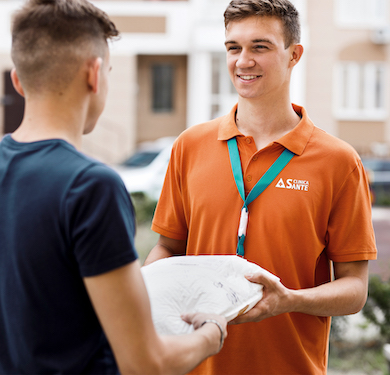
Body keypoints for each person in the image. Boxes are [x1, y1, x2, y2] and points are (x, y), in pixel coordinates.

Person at [145, 0, 377, 374]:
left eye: (260, 47)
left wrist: (289, 300)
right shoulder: (190, 146)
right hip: (193, 367)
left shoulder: (339, 161)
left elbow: (354, 290)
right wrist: (143, 296)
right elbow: (167, 248)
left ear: (294, 55)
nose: (243, 61)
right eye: (234, 48)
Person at [0, 0, 227, 373]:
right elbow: (145, 363)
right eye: (109, 69)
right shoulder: (90, 186)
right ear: (94, 74)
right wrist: (211, 333)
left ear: (18, 81)